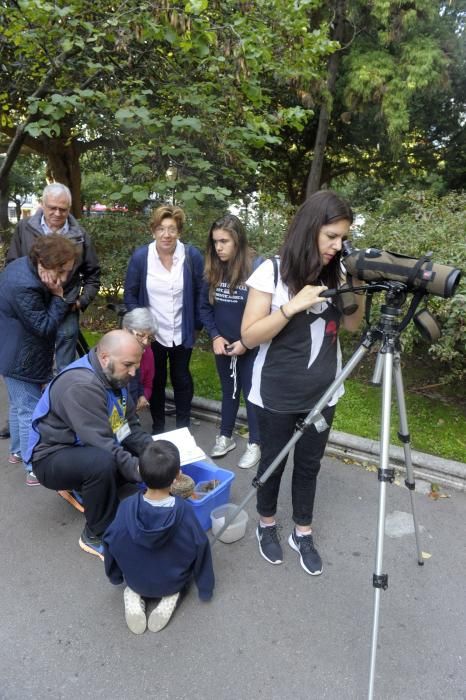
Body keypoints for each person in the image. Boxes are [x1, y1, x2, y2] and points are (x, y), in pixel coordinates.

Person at [241, 190, 365, 576]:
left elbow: (352, 324)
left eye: (343, 238)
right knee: (274, 462)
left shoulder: (340, 274)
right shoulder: (272, 272)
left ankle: (302, 532)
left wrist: (357, 280)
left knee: (309, 466)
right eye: (331, 236)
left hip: (323, 393)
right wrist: (291, 306)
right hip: (276, 392)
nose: (337, 245)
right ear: (310, 228)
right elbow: (248, 335)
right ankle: (265, 525)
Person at [24, 330, 153, 559]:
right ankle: (95, 534)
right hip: (50, 457)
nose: (134, 372)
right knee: (103, 463)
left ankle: (83, 487)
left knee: (127, 459)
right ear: (104, 358)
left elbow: (129, 426)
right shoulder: (81, 385)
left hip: (80, 445)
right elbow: (104, 445)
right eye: (128, 365)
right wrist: (140, 470)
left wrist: (154, 455)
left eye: (136, 365)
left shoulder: (115, 375)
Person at [103, 440, 214, 635]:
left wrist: (115, 576)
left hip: (134, 579)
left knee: (134, 577)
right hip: (172, 581)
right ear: (177, 476)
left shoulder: (126, 507)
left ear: (140, 471)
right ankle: (170, 597)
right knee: (179, 570)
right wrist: (205, 588)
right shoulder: (184, 511)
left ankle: (133, 594)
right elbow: (201, 546)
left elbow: (110, 539)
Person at [0, 234, 77, 485]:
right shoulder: (27, 285)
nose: (64, 278)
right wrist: (57, 296)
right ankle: (32, 465)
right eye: (61, 271)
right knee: (29, 410)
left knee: (18, 404)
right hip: (20, 357)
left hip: (13, 349)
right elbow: (45, 326)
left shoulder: (22, 265)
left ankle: (16, 451)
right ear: (45, 263)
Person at [124, 204, 203, 434]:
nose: (166, 235)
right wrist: (140, 325)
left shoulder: (191, 256)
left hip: (182, 330)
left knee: (182, 378)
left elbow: (201, 292)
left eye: (172, 229)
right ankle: (158, 426)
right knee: (156, 379)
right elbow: (130, 294)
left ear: (179, 231)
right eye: (161, 229)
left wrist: (196, 325)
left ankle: (183, 427)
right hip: (152, 335)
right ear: (153, 231)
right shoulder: (141, 257)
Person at [6, 183, 101, 371]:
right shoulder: (25, 228)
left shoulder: (80, 235)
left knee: (65, 366)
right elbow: (12, 266)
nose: (57, 213)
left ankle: (61, 396)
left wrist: (81, 301)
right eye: (52, 208)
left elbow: (93, 274)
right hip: (31, 305)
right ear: (43, 204)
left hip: (66, 305)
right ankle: (36, 395)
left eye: (63, 209)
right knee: (32, 362)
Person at [200, 214, 263, 469]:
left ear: (238, 241)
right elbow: (204, 308)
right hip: (222, 345)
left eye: (224, 241)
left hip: (251, 346)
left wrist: (246, 343)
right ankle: (225, 436)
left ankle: (255, 443)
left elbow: (265, 312)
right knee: (229, 391)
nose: (218, 247)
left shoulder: (256, 267)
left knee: (251, 394)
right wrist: (215, 335)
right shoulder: (213, 268)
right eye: (215, 242)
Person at [121, 307, 157, 413]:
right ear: (126, 330)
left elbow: (146, 384)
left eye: (150, 338)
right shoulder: (115, 353)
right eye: (141, 335)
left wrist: (142, 396)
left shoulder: (147, 352)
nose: (146, 342)